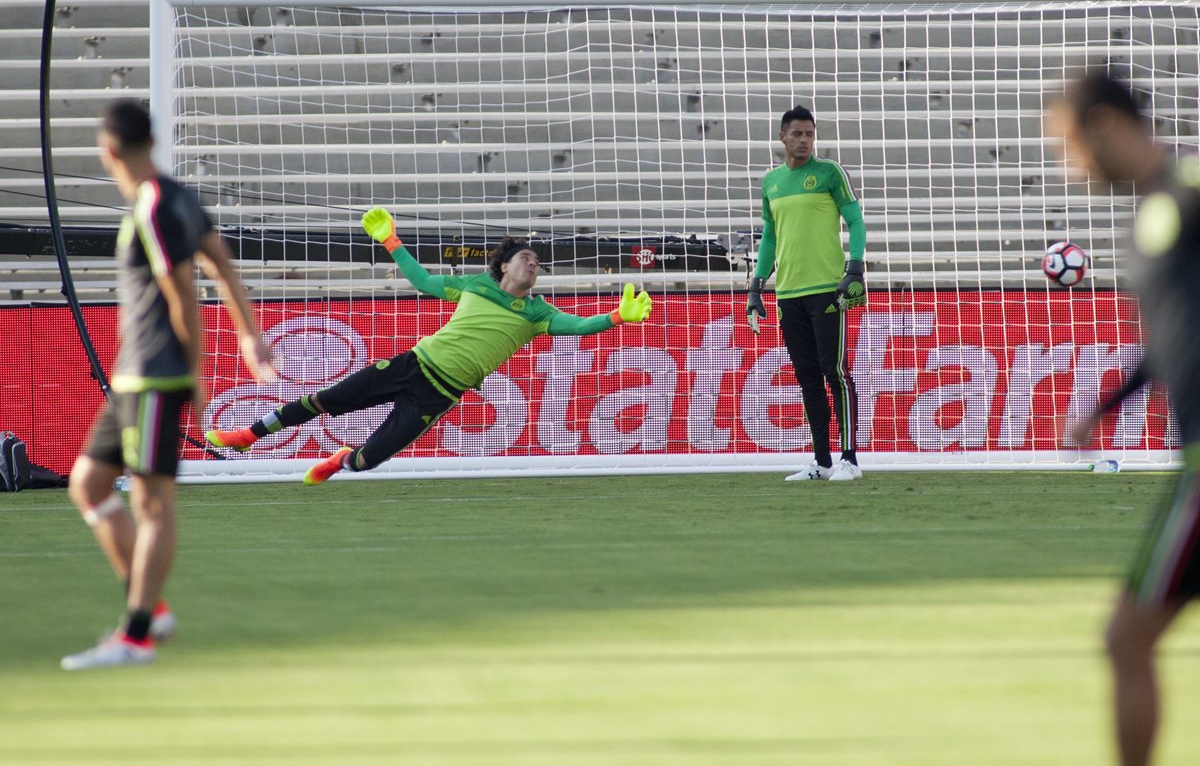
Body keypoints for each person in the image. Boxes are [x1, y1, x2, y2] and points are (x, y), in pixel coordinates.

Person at [206, 206, 653, 484]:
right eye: (525, 258)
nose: (533, 265)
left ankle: (342, 460)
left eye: (537, 263)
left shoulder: (537, 313)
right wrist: (391, 240)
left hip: (440, 394)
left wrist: (617, 317)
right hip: (412, 365)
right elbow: (420, 280)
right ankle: (247, 435)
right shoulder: (476, 284)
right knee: (326, 400)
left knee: (369, 460)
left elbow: (579, 327)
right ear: (503, 267)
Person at [61, 100, 277, 670]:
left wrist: (197, 369)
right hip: (136, 375)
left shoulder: (155, 206)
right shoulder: (177, 196)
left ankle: (135, 636)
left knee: (153, 504)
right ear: (150, 141)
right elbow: (224, 266)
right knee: (88, 484)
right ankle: (150, 607)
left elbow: (184, 289)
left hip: (158, 374)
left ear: (108, 151)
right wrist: (250, 338)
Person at [1051, 69, 1200, 766]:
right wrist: (1105, 409)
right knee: (1126, 638)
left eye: (1069, 145)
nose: (1069, 165)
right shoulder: (1152, 219)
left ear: (1106, 124)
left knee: (1125, 636)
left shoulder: (1191, 193)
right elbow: (1171, 343)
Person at [747, 105, 867, 482]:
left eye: (810, 134)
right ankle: (821, 460)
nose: (804, 141)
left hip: (828, 290)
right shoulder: (771, 182)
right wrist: (757, 284)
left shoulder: (830, 173)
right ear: (783, 136)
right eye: (797, 134)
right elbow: (770, 237)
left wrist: (856, 267)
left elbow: (856, 220)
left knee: (836, 373)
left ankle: (850, 459)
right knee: (807, 377)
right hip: (789, 294)